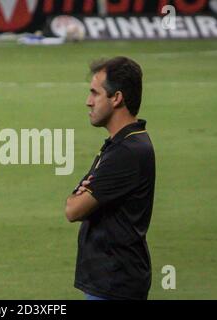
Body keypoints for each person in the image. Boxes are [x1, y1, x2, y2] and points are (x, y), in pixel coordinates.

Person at [65, 57, 156, 300]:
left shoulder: (126, 152)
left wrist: (79, 195)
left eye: (95, 93)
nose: (88, 102)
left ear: (116, 98)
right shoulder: (123, 143)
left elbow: (73, 210)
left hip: (115, 282)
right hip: (113, 278)